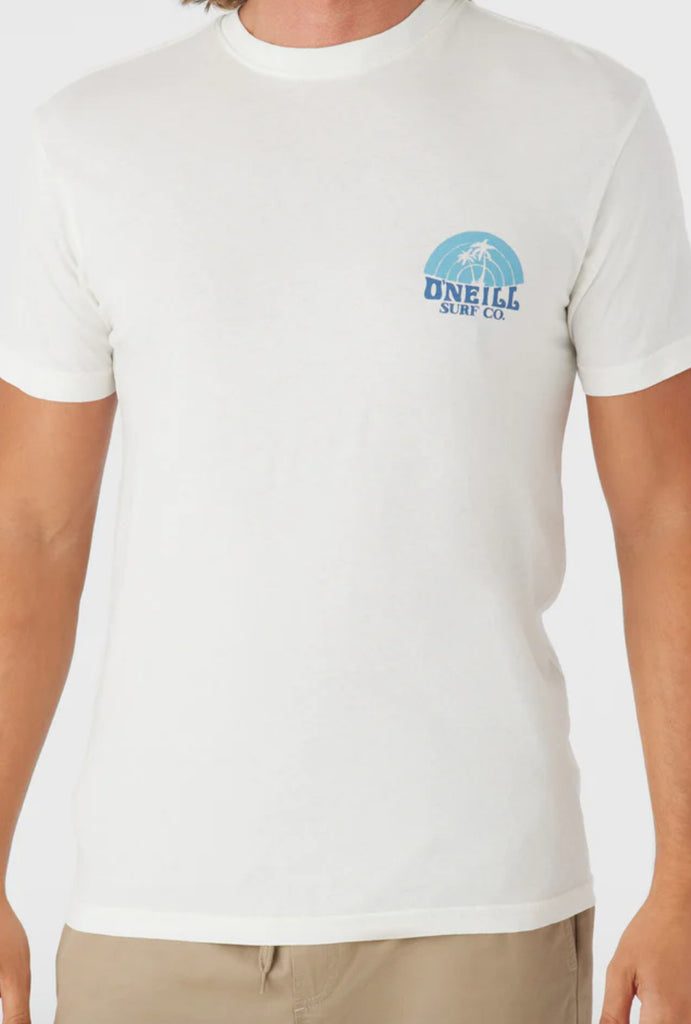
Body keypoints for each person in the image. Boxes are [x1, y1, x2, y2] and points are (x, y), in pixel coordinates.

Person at [0, 0, 690, 1020]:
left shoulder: (586, 115)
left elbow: (666, 517)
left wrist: (682, 879)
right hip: (156, 914)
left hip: (478, 916)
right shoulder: (92, 136)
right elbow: (31, 532)